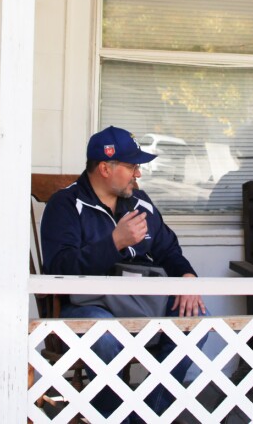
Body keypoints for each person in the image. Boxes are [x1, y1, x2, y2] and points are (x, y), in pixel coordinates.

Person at [40, 125, 207, 421]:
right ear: (105, 167)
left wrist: (187, 278)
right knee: (105, 335)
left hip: (138, 299)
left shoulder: (140, 203)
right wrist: (114, 243)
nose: (138, 174)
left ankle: (145, 414)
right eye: (132, 166)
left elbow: (169, 251)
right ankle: (114, 414)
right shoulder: (65, 205)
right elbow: (58, 268)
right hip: (88, 305)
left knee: (198, 322)